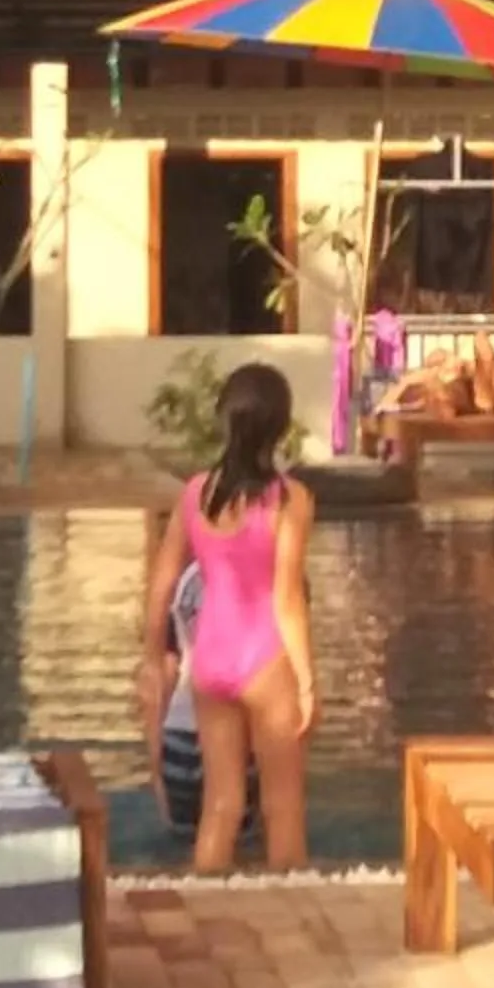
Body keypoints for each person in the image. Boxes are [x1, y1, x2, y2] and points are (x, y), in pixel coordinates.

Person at [140, 363, 314, 871]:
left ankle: (205, 910)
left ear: (225, 420)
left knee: (222, 803)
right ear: (280, 427)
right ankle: (294, 918)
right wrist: (306, 681)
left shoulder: (196, 493)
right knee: (282, 807)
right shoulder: (291, 500)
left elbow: (162, 582)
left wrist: (153, 655)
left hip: (210, 660)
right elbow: (287, 599)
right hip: (266, 660)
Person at [144, 560, 260, 849]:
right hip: (239, 737)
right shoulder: (265, 563)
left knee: (185, 849)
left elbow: (164, 673)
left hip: (178, 733)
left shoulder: (179, 577)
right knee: (244, 853)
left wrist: (156, 763)